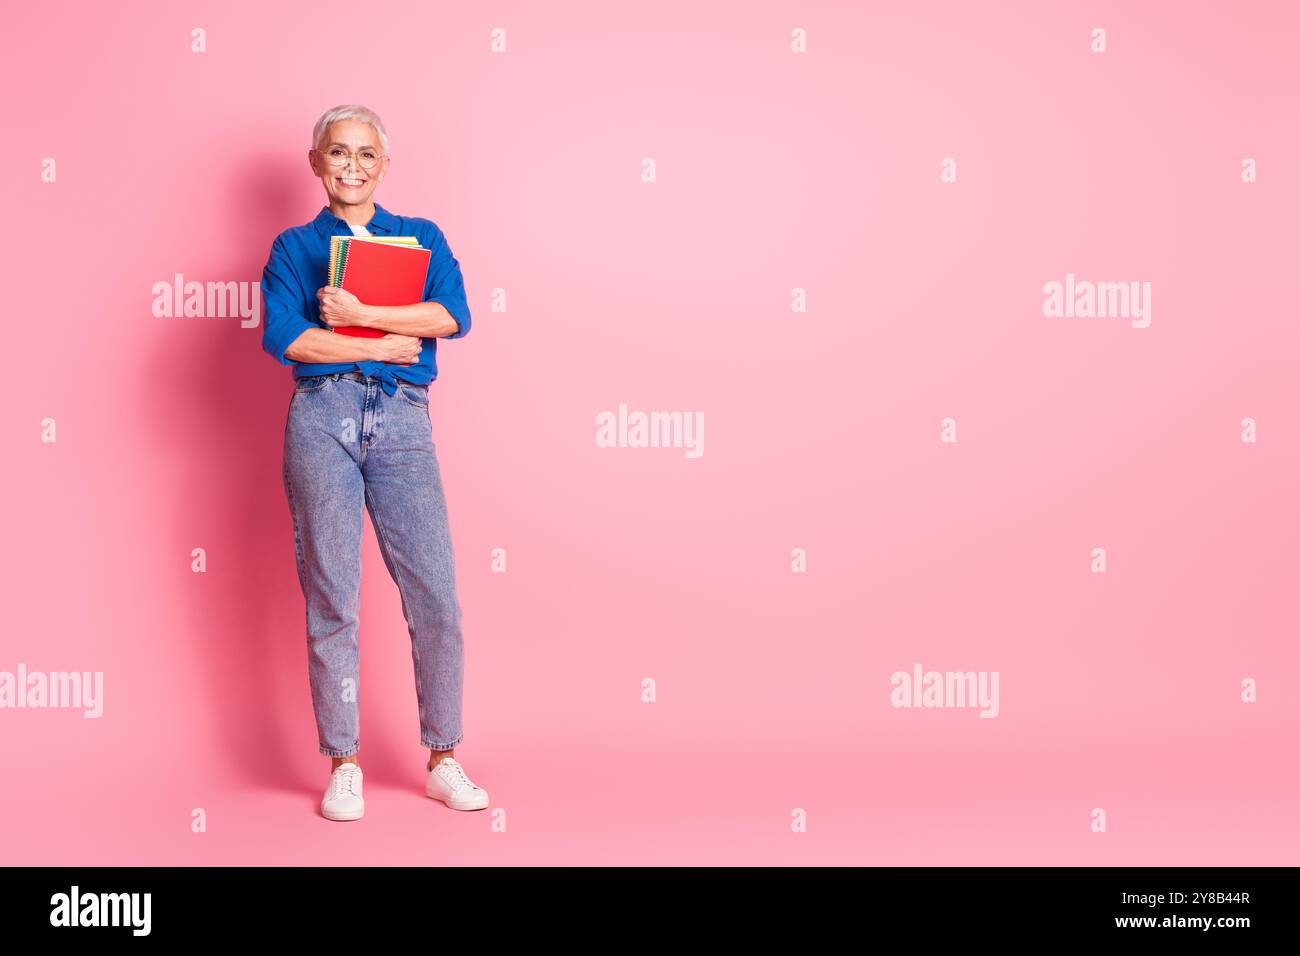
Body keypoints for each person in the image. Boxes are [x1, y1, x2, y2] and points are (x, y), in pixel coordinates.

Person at [259, 104, 487, 821]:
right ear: (316, 163)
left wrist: (363, 313)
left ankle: (443, 755)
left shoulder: (420, 238)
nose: (351, 165)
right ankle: (344, 762)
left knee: (436, 597)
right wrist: (378, 346)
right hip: (322, 415)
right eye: (337, 153)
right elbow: (288, 340)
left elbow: (452, 316)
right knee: (333, 596)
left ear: (384, 165)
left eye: (365, 154)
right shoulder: (295, 246)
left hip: (402, 424)